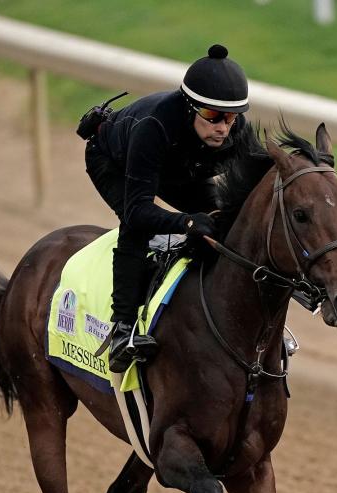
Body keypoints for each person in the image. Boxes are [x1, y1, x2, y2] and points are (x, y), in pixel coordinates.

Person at [80, 44, 251, 373]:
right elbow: (138, 211)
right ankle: (122, 331)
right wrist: (187, 223)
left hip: (180, 168)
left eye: (230, 117)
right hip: (114, 160)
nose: (223, 128)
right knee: (138, 228)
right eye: (213, 117)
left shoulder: (236, 129)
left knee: (225, 224)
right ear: (190, 107)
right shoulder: (153, 126)